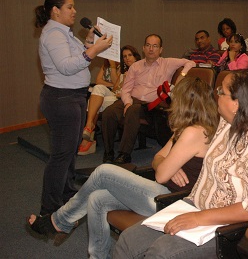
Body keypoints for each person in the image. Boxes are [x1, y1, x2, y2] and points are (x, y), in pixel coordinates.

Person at [27, 76, 218, 258]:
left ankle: (60, 221)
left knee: (103, 172)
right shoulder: (186, 129)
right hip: (162, 192)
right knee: (96, 199)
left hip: (171, 201)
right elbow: (157, 158)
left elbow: (160, 175)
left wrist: (167, 167)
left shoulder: (195, 132)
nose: (171, 101)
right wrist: (170, 166)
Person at [113, 71, 248, 258]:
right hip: (194, 207)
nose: (216, 94)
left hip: (231, 228)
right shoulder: (226, 125)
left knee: (161, 253)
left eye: (221, 92)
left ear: (236, 104)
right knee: (128, 240)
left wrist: (198, 218)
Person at [34, 0, 113, 215]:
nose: (74, 11)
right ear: (55, 10)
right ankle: (49, 209)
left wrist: (89, 41)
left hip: (73, 97)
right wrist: (95, 50)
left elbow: (78, 58)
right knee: (61, 155)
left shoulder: (63, 32)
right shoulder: (53, 34)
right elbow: (67, 67)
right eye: (69, 7)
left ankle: (66, 195)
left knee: (69, 153)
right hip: (62, 99)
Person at [101, 34, 196, 164]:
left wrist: (182, 75)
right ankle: (108, 152)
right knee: (109, 112)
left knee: (133, 110)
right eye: (148, 45)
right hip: (132, 99)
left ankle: (124, 153)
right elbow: (126, 90)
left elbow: (191, 62)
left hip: (151, 106)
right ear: (143, 48)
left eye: (155, 46)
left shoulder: (168, 63)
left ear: (161, 49)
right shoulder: (136, 66)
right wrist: (127, 103)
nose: (151, 49)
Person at [79, 46, 142, 155]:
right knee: (98, 88)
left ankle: (89, 133)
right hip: (115, 95)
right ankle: (89, 126)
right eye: (124, 56)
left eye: (130, 55)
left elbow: (138, 90)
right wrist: (122, 80)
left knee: (94, 102)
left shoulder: (140, 70)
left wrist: (124, 85)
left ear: (136, 57)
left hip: (124, 100)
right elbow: (115, 87)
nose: (127, 58)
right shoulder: (124, 70)